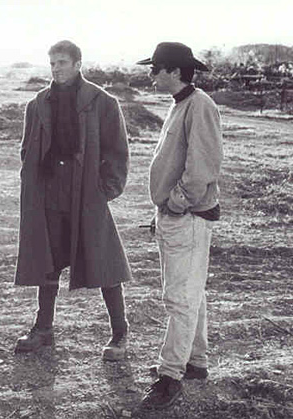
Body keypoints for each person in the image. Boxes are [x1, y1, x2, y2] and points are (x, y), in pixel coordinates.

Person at [14, 40, 132, 360]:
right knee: (47, 262)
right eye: (52, 63)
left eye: (62, 62)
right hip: (50, 195)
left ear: (78, 64)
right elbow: (27, 150)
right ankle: (43, 329)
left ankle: (119, 332)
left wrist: (105, 190)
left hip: (87, 196)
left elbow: (117, 152)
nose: (56, 69)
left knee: (105, 262)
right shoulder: (38, 104)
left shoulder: (102, 102)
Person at [136, 42, 223, 410]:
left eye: (155, 68)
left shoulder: (200, 105)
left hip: (187, 216)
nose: (150, 74)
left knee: (180, 298)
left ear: (174, 71)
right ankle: (195, 363)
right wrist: (165, 207)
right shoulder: (182, 104)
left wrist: (176, 202)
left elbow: (203, 166)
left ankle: (170, 377)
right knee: (192, 293)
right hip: (176, 216)